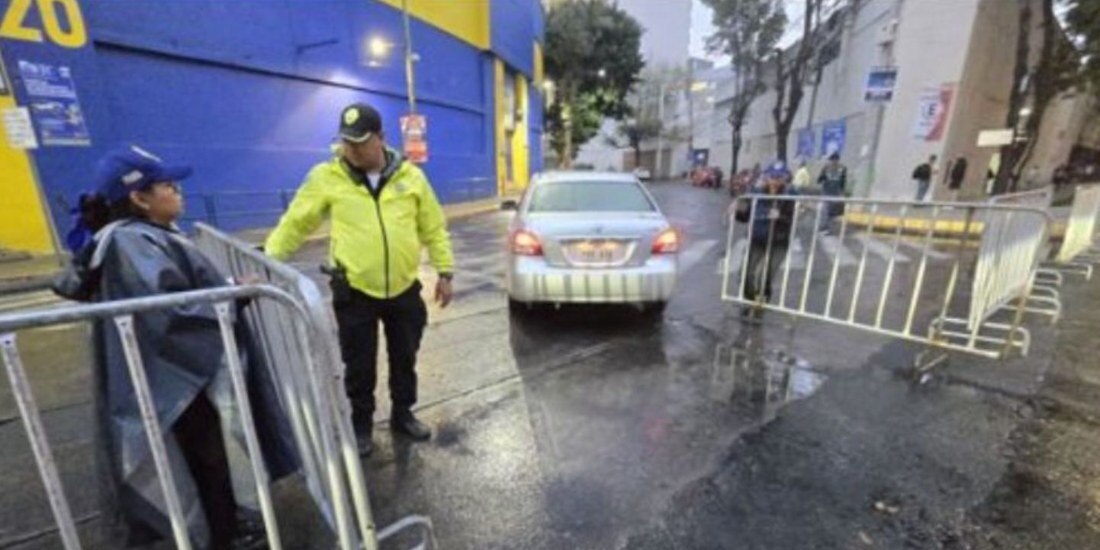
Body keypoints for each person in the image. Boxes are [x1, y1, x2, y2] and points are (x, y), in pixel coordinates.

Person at [53, 145, 298, 550]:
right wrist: (234, 295)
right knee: (205, 463)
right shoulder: (130, 243)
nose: (179, 192)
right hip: (179, 384)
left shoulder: (140, 237)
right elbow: (171, 312)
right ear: (139, 197)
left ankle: (224, 528)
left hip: (176, 378)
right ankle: (223, 535)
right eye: (168, 186)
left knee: (205, 462)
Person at [265, 103, 455, 457]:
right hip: (355, 291)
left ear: (382, 139)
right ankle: (361, 423)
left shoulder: (411, 178)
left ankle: (402, 413)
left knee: (405, 357)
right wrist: (267, 263)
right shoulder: (327, 176)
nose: (351, 150)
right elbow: (295, 223)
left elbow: (433, 228)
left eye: (361, 142)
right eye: (346, 142)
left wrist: (444, 272)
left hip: (402, 288)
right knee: (359, 363)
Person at [734, 162, 796, 319]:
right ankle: (749, 300)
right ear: (766, 177)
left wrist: (781, 216)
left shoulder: (790, 196)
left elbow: (793, 217)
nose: (774, 180)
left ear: (784, 179)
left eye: (779, 177)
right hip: (758, 238)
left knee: (766, 276)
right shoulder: (756, 193)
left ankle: (761, 303)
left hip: (779, 241)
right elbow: (744, 217)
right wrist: (739, 210)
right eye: (771, 176)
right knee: (746, 273)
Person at [816, 153, 847, 232]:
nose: (833, 162)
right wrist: (842, 192)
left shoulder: (826, 167)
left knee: (826, 211)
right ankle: (828, 228)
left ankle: (825, 226)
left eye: (831, 160)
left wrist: (822, 178)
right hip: (835, 193)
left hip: (827, 192)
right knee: (831, 212)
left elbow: (819, 179)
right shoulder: (843, 168)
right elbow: (843, 182)